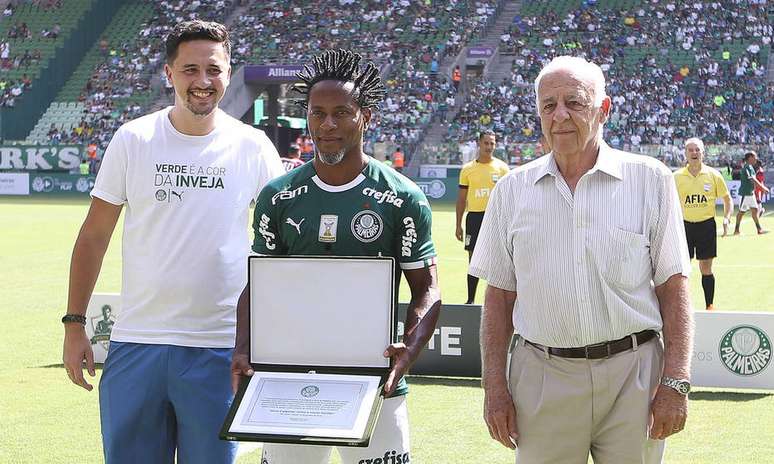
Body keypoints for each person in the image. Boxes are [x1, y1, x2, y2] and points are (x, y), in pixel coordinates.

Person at [61, 20, 284, 464]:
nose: (202, 81)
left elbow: (277, 251)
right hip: (137, 343)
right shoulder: (134, 138)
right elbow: (94, 236)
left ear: (228, 71)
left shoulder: (254, 147)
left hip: (220, 347)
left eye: (214, 69)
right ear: (169, 73)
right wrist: (74, 324)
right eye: (189, 70)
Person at [470, 56, 693, 463]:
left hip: (634, 377)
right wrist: (494, 387)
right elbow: (498, 297)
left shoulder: (650, 180)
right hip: (542, 375)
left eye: (574, 102)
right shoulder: (512, 191)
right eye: (548, 105)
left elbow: (673, 287)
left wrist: (675, 381)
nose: (560, 116)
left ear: (603, 109)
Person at [231, 49, 442, 464]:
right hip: (290, 379)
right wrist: (242, 347)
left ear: (365, 116)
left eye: (341, 113)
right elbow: (259, 286)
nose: (327, 125)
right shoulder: (279, 196)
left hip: (375, 379)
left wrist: (410, 349)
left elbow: (428, 289)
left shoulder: (401, 198)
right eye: (317, 113)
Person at [673, 137, 732, 310]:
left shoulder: (713, 175)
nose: (694, 153)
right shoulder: (676, 177)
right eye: (690, 150)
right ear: (685, 154)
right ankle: (681, 307)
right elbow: (666, 202)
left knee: (706, 267)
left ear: (703, 153)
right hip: (684, 226)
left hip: (706, 225)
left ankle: (709, 305)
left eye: (697, 150)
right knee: (681, 269)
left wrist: (727, 218)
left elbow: (727, 200)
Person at [455, 130, 509, 304]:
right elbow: (462, 199)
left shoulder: (502, 168)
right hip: (474, 219)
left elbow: (509, 198)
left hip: (496, 218)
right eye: (486, 143)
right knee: (474, 260)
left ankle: (496, 302)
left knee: (498, 261)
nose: (489, 147)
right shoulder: (468, 170)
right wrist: (458, 224)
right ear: (479, 143)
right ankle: (470, 300)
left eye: (492, 143)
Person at [733, 151, 769, 235]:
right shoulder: (747, 167)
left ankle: (759, 229)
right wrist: (763, 187)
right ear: (750, 158)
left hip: (750, 193)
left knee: (755, 210)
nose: (756, 158)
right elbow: (753, 179)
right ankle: (736, 230)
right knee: (741, 212)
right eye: (755, 156)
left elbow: (753, 180)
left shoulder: (750, 167)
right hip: (745, 194)